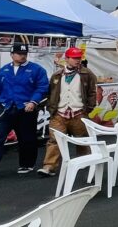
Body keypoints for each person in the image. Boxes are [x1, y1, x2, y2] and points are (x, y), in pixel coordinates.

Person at [0, 43, 49, 182]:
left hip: (26, 107)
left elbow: (42, 87)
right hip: (6, 107)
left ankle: (26, 164)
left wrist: (34, 102)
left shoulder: (36, 69)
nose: (22, 56)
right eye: (19, 53)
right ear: (12, 54)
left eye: (24, 53)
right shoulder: (4, 70)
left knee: (27, 138)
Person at [40, 45, 98, 177]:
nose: (77, 60)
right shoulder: (57, 75)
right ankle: (49, 166)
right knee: (54, 140)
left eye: (79, 58)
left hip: (78, 112)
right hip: (59, 113)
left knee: (82, 139)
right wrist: (52, 108)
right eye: (74, 58)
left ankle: (84, 161)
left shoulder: (87, 74)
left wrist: (88, 108)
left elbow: (92, 92)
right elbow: (51, 93)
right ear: (67, 59)